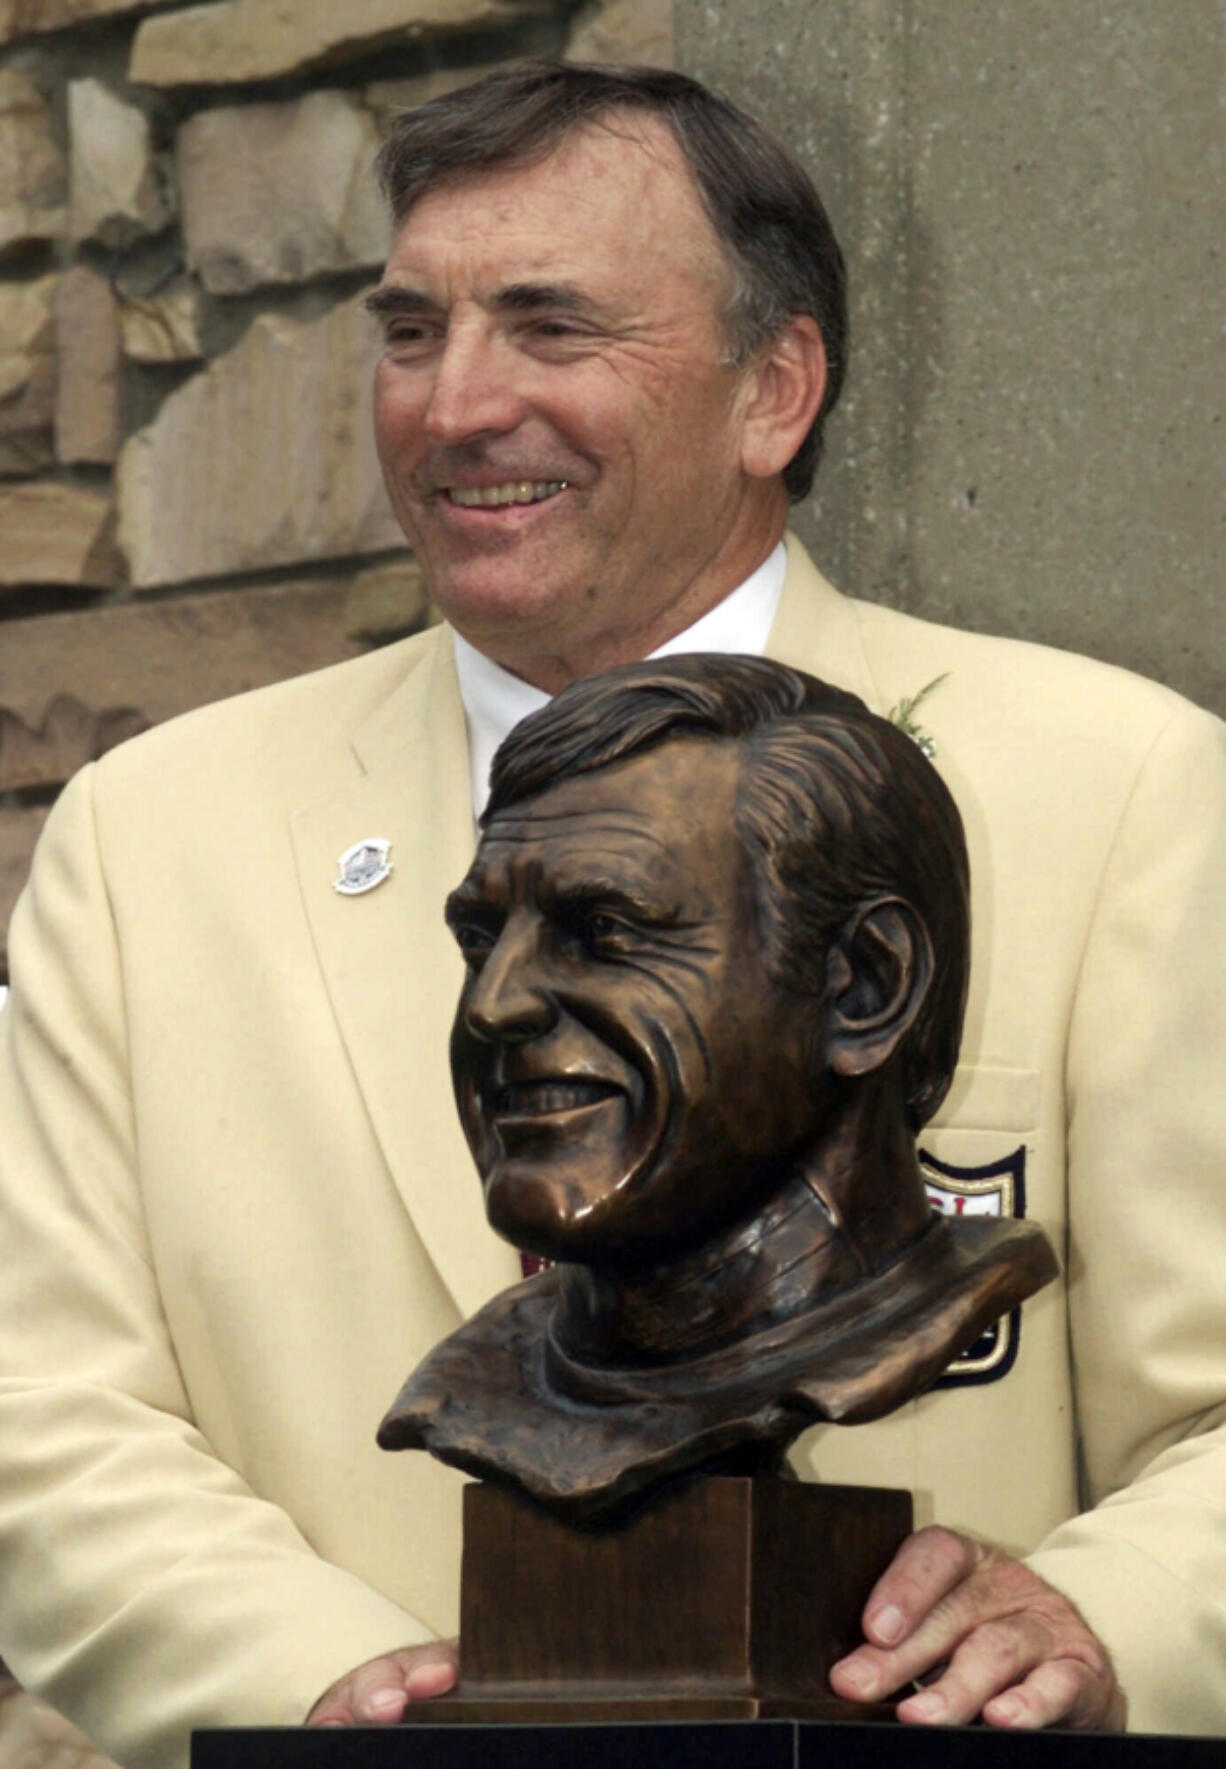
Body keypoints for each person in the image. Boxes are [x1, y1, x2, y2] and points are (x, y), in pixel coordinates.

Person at [0, 58, 1222, 1767]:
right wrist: (353, 1698)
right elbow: (41, 1408)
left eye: (551, 328)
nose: (454, 403)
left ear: (772, 388)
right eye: (411, 330)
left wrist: (1108, 1614)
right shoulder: (154, 839)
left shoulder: (1124, 790)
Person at [380, 655, 1057, 1518]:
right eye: (480, 941)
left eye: (604, 931)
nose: (492, 1004)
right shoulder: (474, 1386)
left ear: (863, 987)